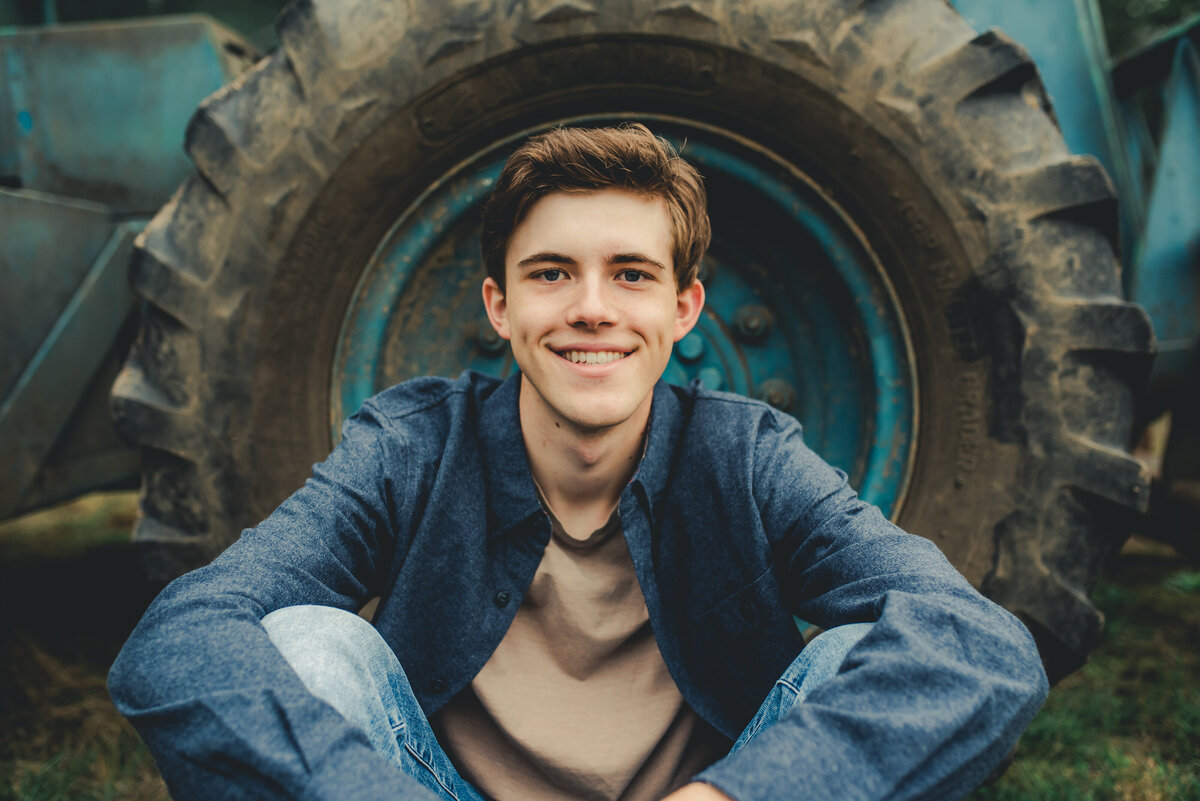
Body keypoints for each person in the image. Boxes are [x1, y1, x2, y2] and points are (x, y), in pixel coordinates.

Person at [109, 123, 1048, 801]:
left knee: (861, 653)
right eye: (551, 272)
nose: (592, 308)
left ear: (684, 312)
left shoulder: (747, 454)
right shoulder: (410, 444)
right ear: (499, 306)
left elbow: (984, 645)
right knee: (315, 648)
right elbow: (183, 632)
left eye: (631, 274)